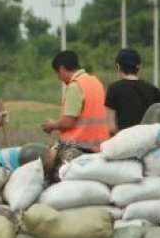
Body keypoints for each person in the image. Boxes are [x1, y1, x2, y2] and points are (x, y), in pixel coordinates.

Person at [40, 50, 111, 179]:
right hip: (99, 146)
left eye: (57, 73)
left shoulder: (75, 85)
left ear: (62, 68)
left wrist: (52, 125)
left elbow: (68, 122)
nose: (59, 78)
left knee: (50, 169)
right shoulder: (95, 82)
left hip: (79, 146)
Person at [104, 47, 160, 134]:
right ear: (139, 67)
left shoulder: (113, 89)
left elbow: (112, 127)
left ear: (118, 67)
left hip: (125, 143)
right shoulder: (151, 89)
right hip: (148, 142)